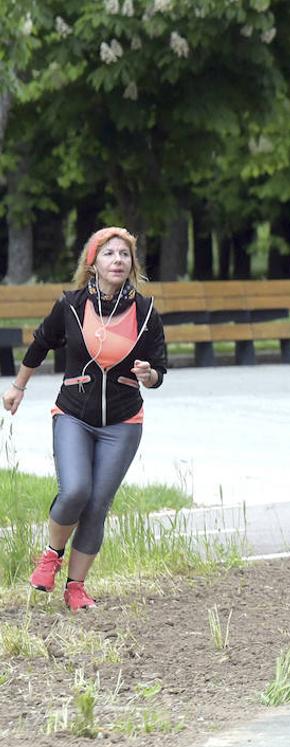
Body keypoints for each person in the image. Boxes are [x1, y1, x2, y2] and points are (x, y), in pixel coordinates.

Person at [2, 226, 168, 613]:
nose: (118, 261)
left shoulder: (145, 312)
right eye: (109, 254)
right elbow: (41, 343)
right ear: (92, 263)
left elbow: (160, 369)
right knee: (75, 490)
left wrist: (150, 375)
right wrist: (18, 387)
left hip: (124, 423)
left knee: (96, 505)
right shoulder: (72, 305)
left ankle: (76, 588)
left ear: (132, 265)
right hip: (74, 415)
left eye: (124, 255)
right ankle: (51, 554)